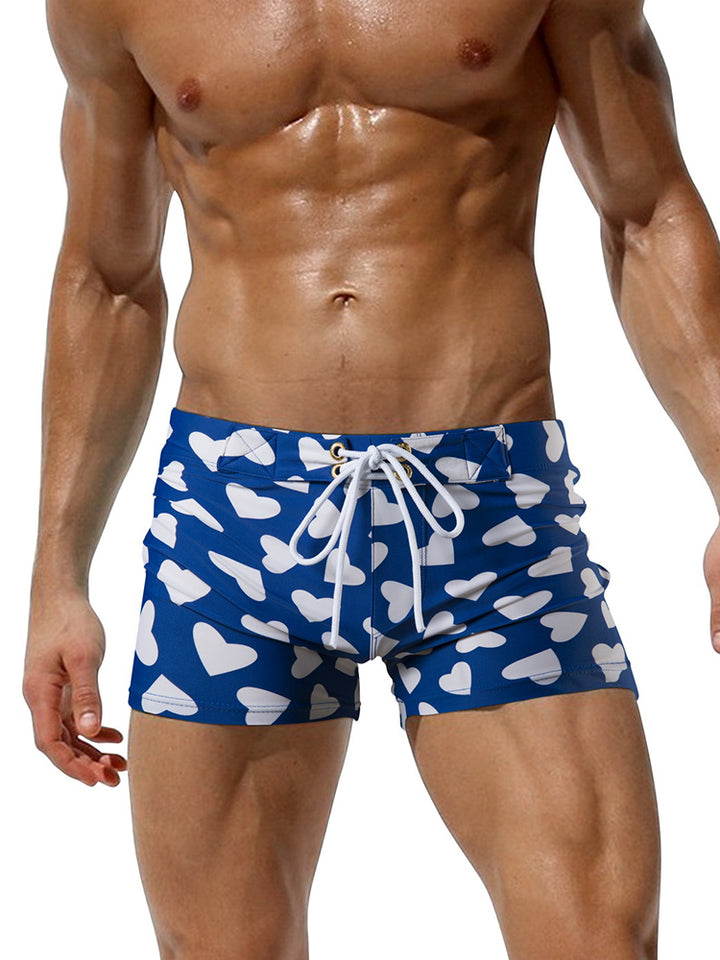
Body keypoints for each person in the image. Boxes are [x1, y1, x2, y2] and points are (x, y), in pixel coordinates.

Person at [22, 0, 720, 956]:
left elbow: (646, 210)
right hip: (232, 522)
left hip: (486, 515)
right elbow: (107, 275)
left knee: (598, 938)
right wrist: (57, 575)